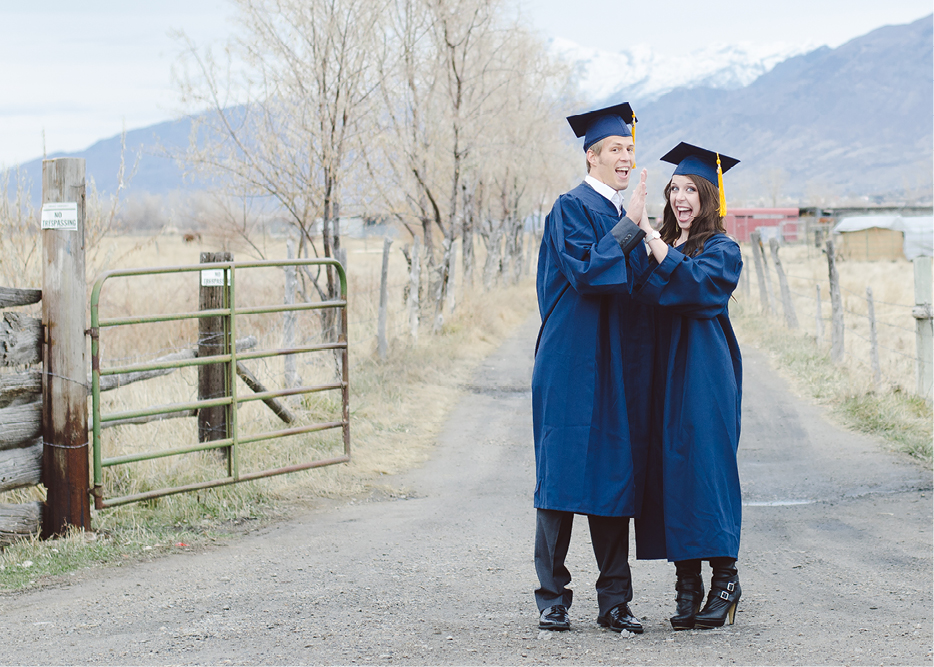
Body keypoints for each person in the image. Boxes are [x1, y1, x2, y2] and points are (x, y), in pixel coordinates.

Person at [532, 102, 655, 634]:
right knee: (560, 480)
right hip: (569, 362)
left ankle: (614, 604)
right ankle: (552, 598)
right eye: (615, 149)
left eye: (629, 149)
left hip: (615, 364)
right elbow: (587, 272)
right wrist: (631, 227)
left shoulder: (628, 217)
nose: (625, 157)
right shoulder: (571, 208)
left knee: (611, 479)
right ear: (592, 156)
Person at [630, 142, 744, 630]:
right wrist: (645, 241)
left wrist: (653, 241)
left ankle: (725, 582)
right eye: (674, 188)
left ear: (708, 196)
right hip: (662, 372)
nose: (680, 197)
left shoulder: (722, 249)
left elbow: (697, 288)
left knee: (706, 469)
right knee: (670, 470)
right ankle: (686, 584)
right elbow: (640, 293)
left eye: (690, 190)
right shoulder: (660, 244)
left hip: (703, 373)